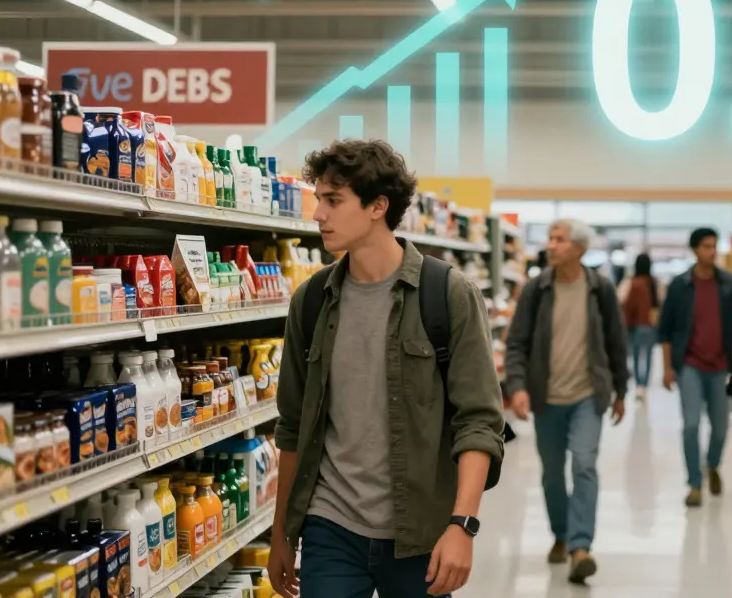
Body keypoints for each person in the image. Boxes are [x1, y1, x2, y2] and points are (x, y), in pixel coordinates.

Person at [269, 140, 505, 598]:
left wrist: (463, 525)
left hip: (420, 530)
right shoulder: (312, 300)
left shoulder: (448, 294)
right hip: (330, 525)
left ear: (378, 206)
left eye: (333, 200)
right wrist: (282, 533)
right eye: (319, 199)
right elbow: (293, 426)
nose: (318, 214)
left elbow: (479, 421)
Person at [504, 218, 629, 584]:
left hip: (588, 395)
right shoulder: (536, 290)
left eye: (559, 240)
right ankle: (560, 533)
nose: (551, 245)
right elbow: (516, 344)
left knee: (585, 464)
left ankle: (580, 547)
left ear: (579, 248)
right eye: (550, 238)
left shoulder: (600, 289)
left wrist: (620, 390)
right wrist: (519, 386)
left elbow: (615, 342)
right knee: (552, 475)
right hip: (546, 398)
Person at [658, 227, 732, 507]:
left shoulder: (730, 285)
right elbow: (666, 329)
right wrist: (667, 368)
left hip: (722, 365)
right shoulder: (680, 286)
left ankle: (712, 464)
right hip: (690, 365)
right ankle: (695, 483)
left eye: (714, 246)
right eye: (707, 246)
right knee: (690, 425)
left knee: (720, 427)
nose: (712, 251)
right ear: (695, 250)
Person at [620, 253, 660, 401]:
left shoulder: (633, 282)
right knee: (648, 355)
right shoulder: (653, 282)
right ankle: (645, 383)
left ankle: (639, 385)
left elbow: (625, 303)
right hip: (650, 325)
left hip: (635, 325)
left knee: (636, 356)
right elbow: (658, 303)